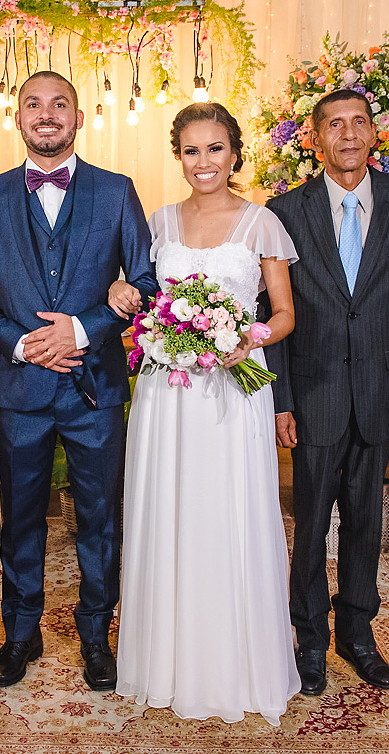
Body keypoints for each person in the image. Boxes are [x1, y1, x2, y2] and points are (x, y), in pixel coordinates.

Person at [0, 71, 157, 691]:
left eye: (59, 105)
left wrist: (82, 328)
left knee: (100, 515)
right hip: (20, 389)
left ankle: (97, 635)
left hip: (93, 386)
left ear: (79, 117)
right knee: (20, 515)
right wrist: (21, 342)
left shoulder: (117, 190)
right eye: (33, 105)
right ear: (17, 118)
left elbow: (147, 284)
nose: (46, 115)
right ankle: (21, 634)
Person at [111, 102, 301, 726]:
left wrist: (247, 339)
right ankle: (167, 658)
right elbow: (141, 299)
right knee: (170, 511)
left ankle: (232, 662)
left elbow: (284, 314)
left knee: (228, 511)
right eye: (191, 151)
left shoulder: (262, 224)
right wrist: (136, 313)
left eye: (215, 148)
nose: (203, 162)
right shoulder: (158, 223)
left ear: (235, 153)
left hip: (233, 390)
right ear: (179, 156)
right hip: (167, 393)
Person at [266, 89, 389, 694]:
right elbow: (272, 315)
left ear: (373, 134)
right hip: (312, 393)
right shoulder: (284, 211)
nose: (348, 134)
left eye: (359, 123)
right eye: (334, 125)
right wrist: (279, 399)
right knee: (311, 523)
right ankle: (309, 639)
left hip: (381, 389)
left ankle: (358, 635)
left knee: (365, 519)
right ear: (315, 139)